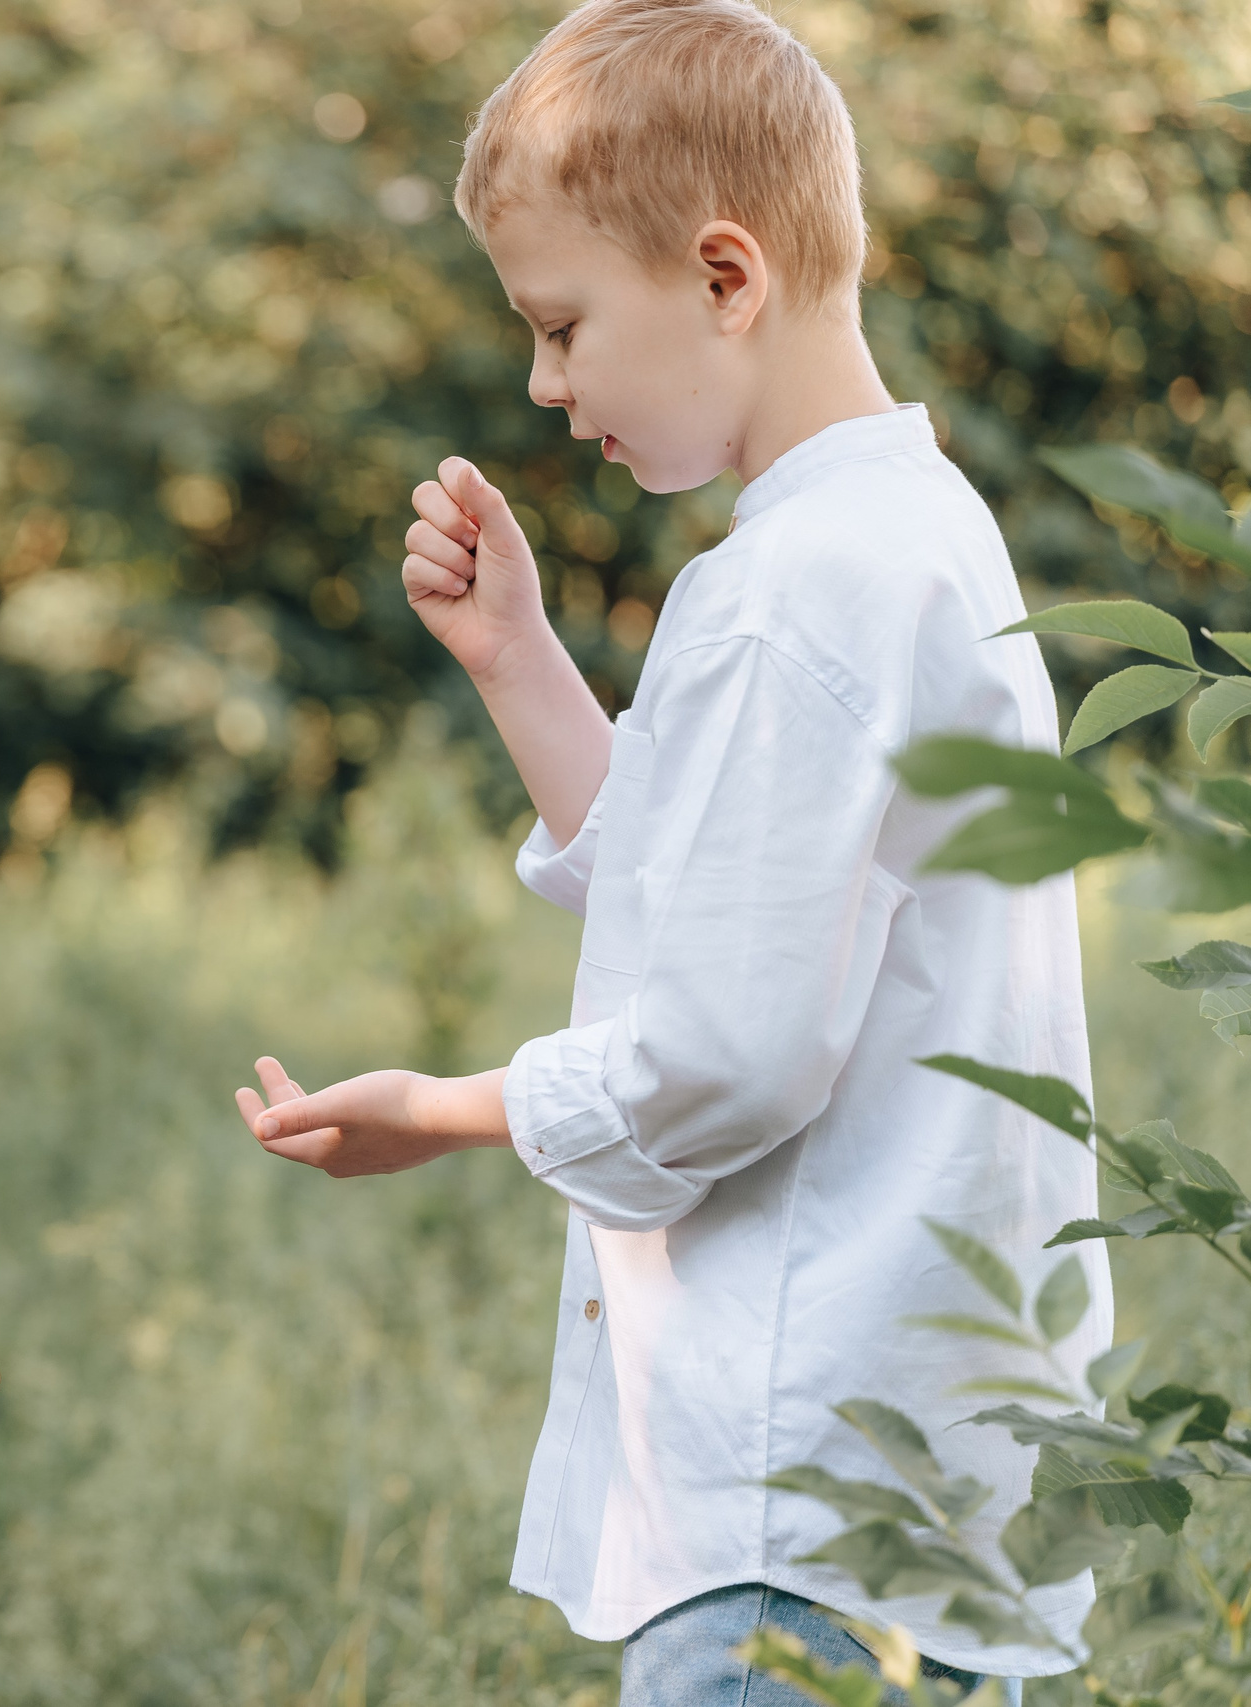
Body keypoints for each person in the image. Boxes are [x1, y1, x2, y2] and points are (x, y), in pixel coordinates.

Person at [232, 2, 1106, 1700]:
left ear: (725, 276)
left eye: (561, 328)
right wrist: (520, 662)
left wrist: (444, 1109)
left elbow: (726, 1045)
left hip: (794, 1522)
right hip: (913, 1508)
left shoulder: (788, 593)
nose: (546, 387)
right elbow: (728, 900)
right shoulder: (917, 533)